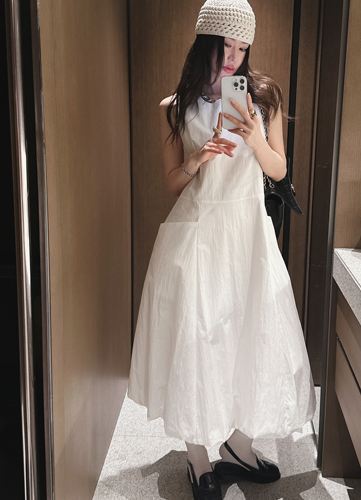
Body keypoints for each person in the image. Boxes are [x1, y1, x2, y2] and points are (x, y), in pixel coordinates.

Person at [127, 1, 316, 499]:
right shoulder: (174, 106)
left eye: (242, 47)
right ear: (205, 42)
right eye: (225, 45)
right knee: (195, 342)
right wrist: (198, 156)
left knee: (255, 334)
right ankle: (197, 457)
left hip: (248, 234)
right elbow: (173, 183)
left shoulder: (263, 97)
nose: (233, 57)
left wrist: (255, 138)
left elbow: (279, 170)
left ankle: (238, 444)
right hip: (197, 235)